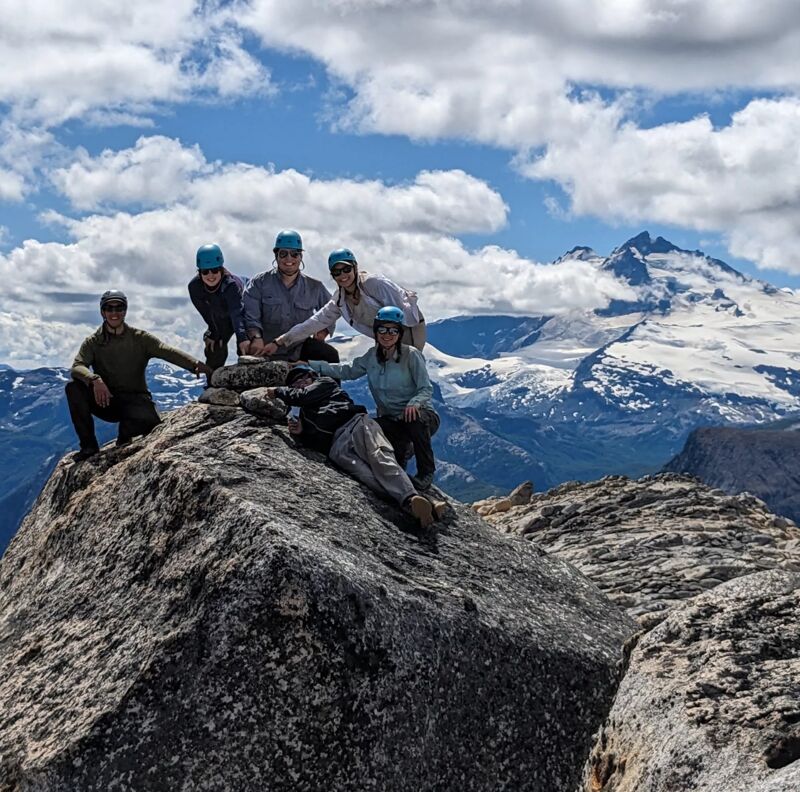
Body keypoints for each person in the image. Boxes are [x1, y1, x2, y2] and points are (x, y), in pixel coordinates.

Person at [265, 365, 443, 529]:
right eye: (295, 383)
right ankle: (424, 504)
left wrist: (277, 391)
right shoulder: (303, 414)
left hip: (355, 423)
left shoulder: (325, 384)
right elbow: (316, 446)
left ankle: (411, 500)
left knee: (380, 457)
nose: (301, 384)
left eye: (304, 378)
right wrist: (302, 432)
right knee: (368, 477)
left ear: (313, 377)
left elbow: (302, 396)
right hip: (337, 446)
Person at [65, 290, 213, 461]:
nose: (114, 313)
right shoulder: (93, 342)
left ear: (125, 311)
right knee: (73, 388)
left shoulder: (140, 339)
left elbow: (166, 351)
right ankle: (89, 447)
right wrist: (94, 379)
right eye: (109, 308)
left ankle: (125, 434)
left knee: (151, 422)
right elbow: (77, 366)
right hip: (106, 401)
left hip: (135, 400)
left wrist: (194, 364)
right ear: (102, 312)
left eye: (119, 308)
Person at [304, 306, 440, 490]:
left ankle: (426, 473)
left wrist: (414, 404)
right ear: (376, 332)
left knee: (414, 419)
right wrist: (311, 365)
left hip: (422, 416)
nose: (387, 334)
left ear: (400, 333)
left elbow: (425, 388)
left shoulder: (411, 355)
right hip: (392, 420)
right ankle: (402, 483)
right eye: (382, 329)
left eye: (393, 330)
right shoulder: (371, 357)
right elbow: (347, 371)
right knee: (369, 430)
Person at [263, 247, 426, 356]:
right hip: (385, 336)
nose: (342, 275)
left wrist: (401, 345)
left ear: (355, 267)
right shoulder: (340, 301)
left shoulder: (374, 283)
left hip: (410, 327)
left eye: (346, 269)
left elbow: (402, 310)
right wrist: (280, 342)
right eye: (336, 272)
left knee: (409, 370)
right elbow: (314, 323)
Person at [242, 230, 339, 363]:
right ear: (276, 255)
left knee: (330, 354)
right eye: (283, 254)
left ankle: (333, 385)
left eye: (294, 254)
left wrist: (324, 330)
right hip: (265, 349)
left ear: (301, 257)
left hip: (300, 349)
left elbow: (333, 309)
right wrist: (256, 338)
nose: (289, 259)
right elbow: (250, 316)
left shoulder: (315, 287)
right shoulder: (258, 284)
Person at [188, 243, 250, 372]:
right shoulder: (195, 287)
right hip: (222, 314)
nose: (210, 275)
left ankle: (248, 383)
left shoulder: (231, 285)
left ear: (221, 269)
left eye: (215, 270)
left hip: (245, 310)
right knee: (214, 347)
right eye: (205, 271)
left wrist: (243, 338)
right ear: (199, 272)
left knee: (246, 348)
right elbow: (207, 314)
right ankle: (212, 383)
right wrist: (214, 332)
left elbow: (237, 313)